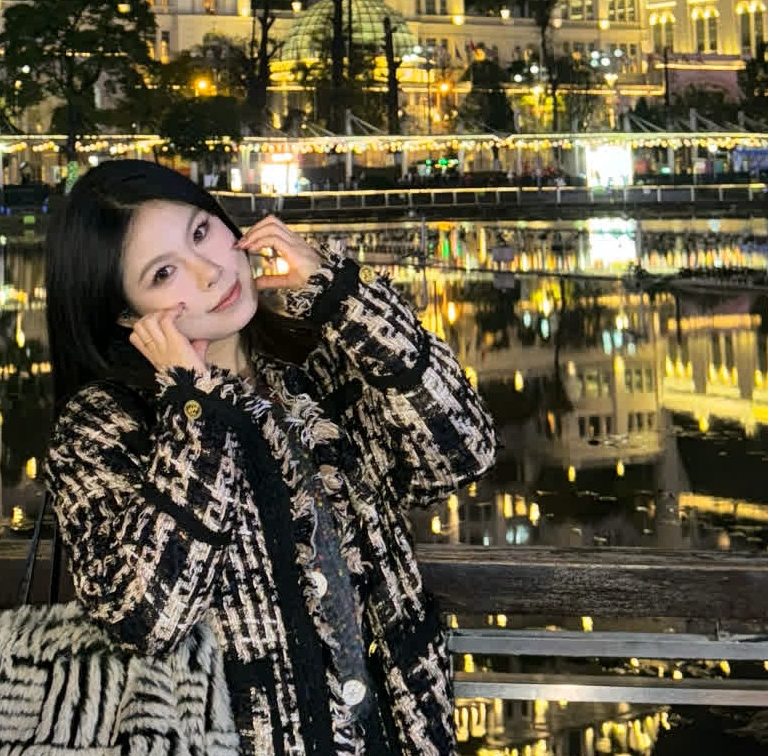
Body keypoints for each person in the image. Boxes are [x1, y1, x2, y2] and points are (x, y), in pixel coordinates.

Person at [44, 159, 496, 756]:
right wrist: (194, 406)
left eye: (202, 232)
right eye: (164, 273)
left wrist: (343, 297)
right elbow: (144, 617)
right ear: (127, 313)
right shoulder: (106, 427)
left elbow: (462, 454)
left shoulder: (318, 365)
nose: (210, 272)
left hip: (401, 734)